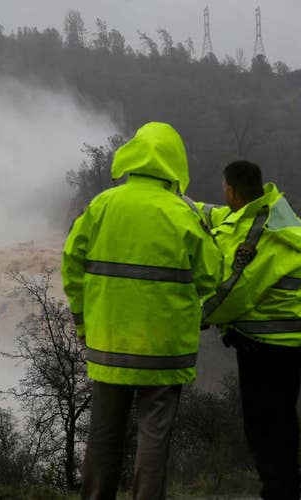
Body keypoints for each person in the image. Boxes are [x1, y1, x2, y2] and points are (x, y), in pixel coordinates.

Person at [62, 122, 222, 500]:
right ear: (174, 164)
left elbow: (72, 264)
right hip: (163, 348)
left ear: (132, 157)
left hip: (110, 342)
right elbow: (210, 275)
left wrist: (82, 322)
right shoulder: (182, 212)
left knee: (103, 436)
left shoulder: (102, 204)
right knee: (154, 439)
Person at [202, 160, 301, 500]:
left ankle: (280, 493)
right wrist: (183, 202)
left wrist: (196, 317)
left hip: (269, 346)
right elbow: (220, 216)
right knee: (284, 422)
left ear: (230, 189)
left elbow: (230, 293)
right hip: (289, 340)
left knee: (266, 428)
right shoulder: (275, 211)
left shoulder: (256, 237)